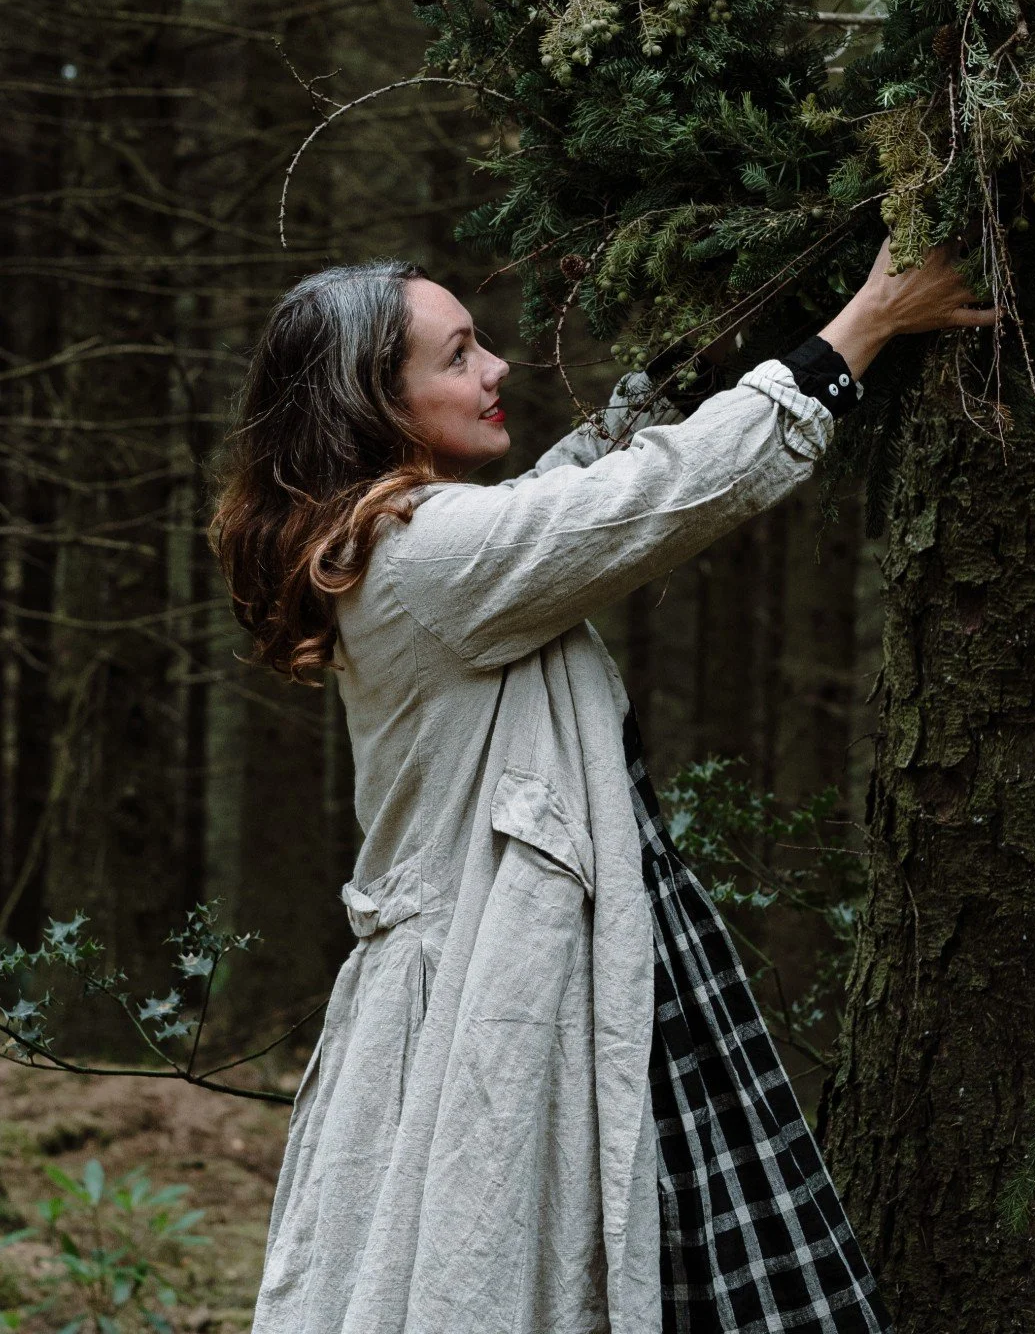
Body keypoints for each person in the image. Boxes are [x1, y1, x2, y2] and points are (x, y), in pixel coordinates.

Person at [213, 238, 995, 1334]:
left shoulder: (408, 545)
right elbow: (646, 499)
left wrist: (677, 375)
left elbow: (555, 496)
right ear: (372, 406)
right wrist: (854, 332)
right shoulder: (422, 554)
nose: (497, 368)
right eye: (458, 356)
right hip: (496, 988)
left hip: (555, 958)